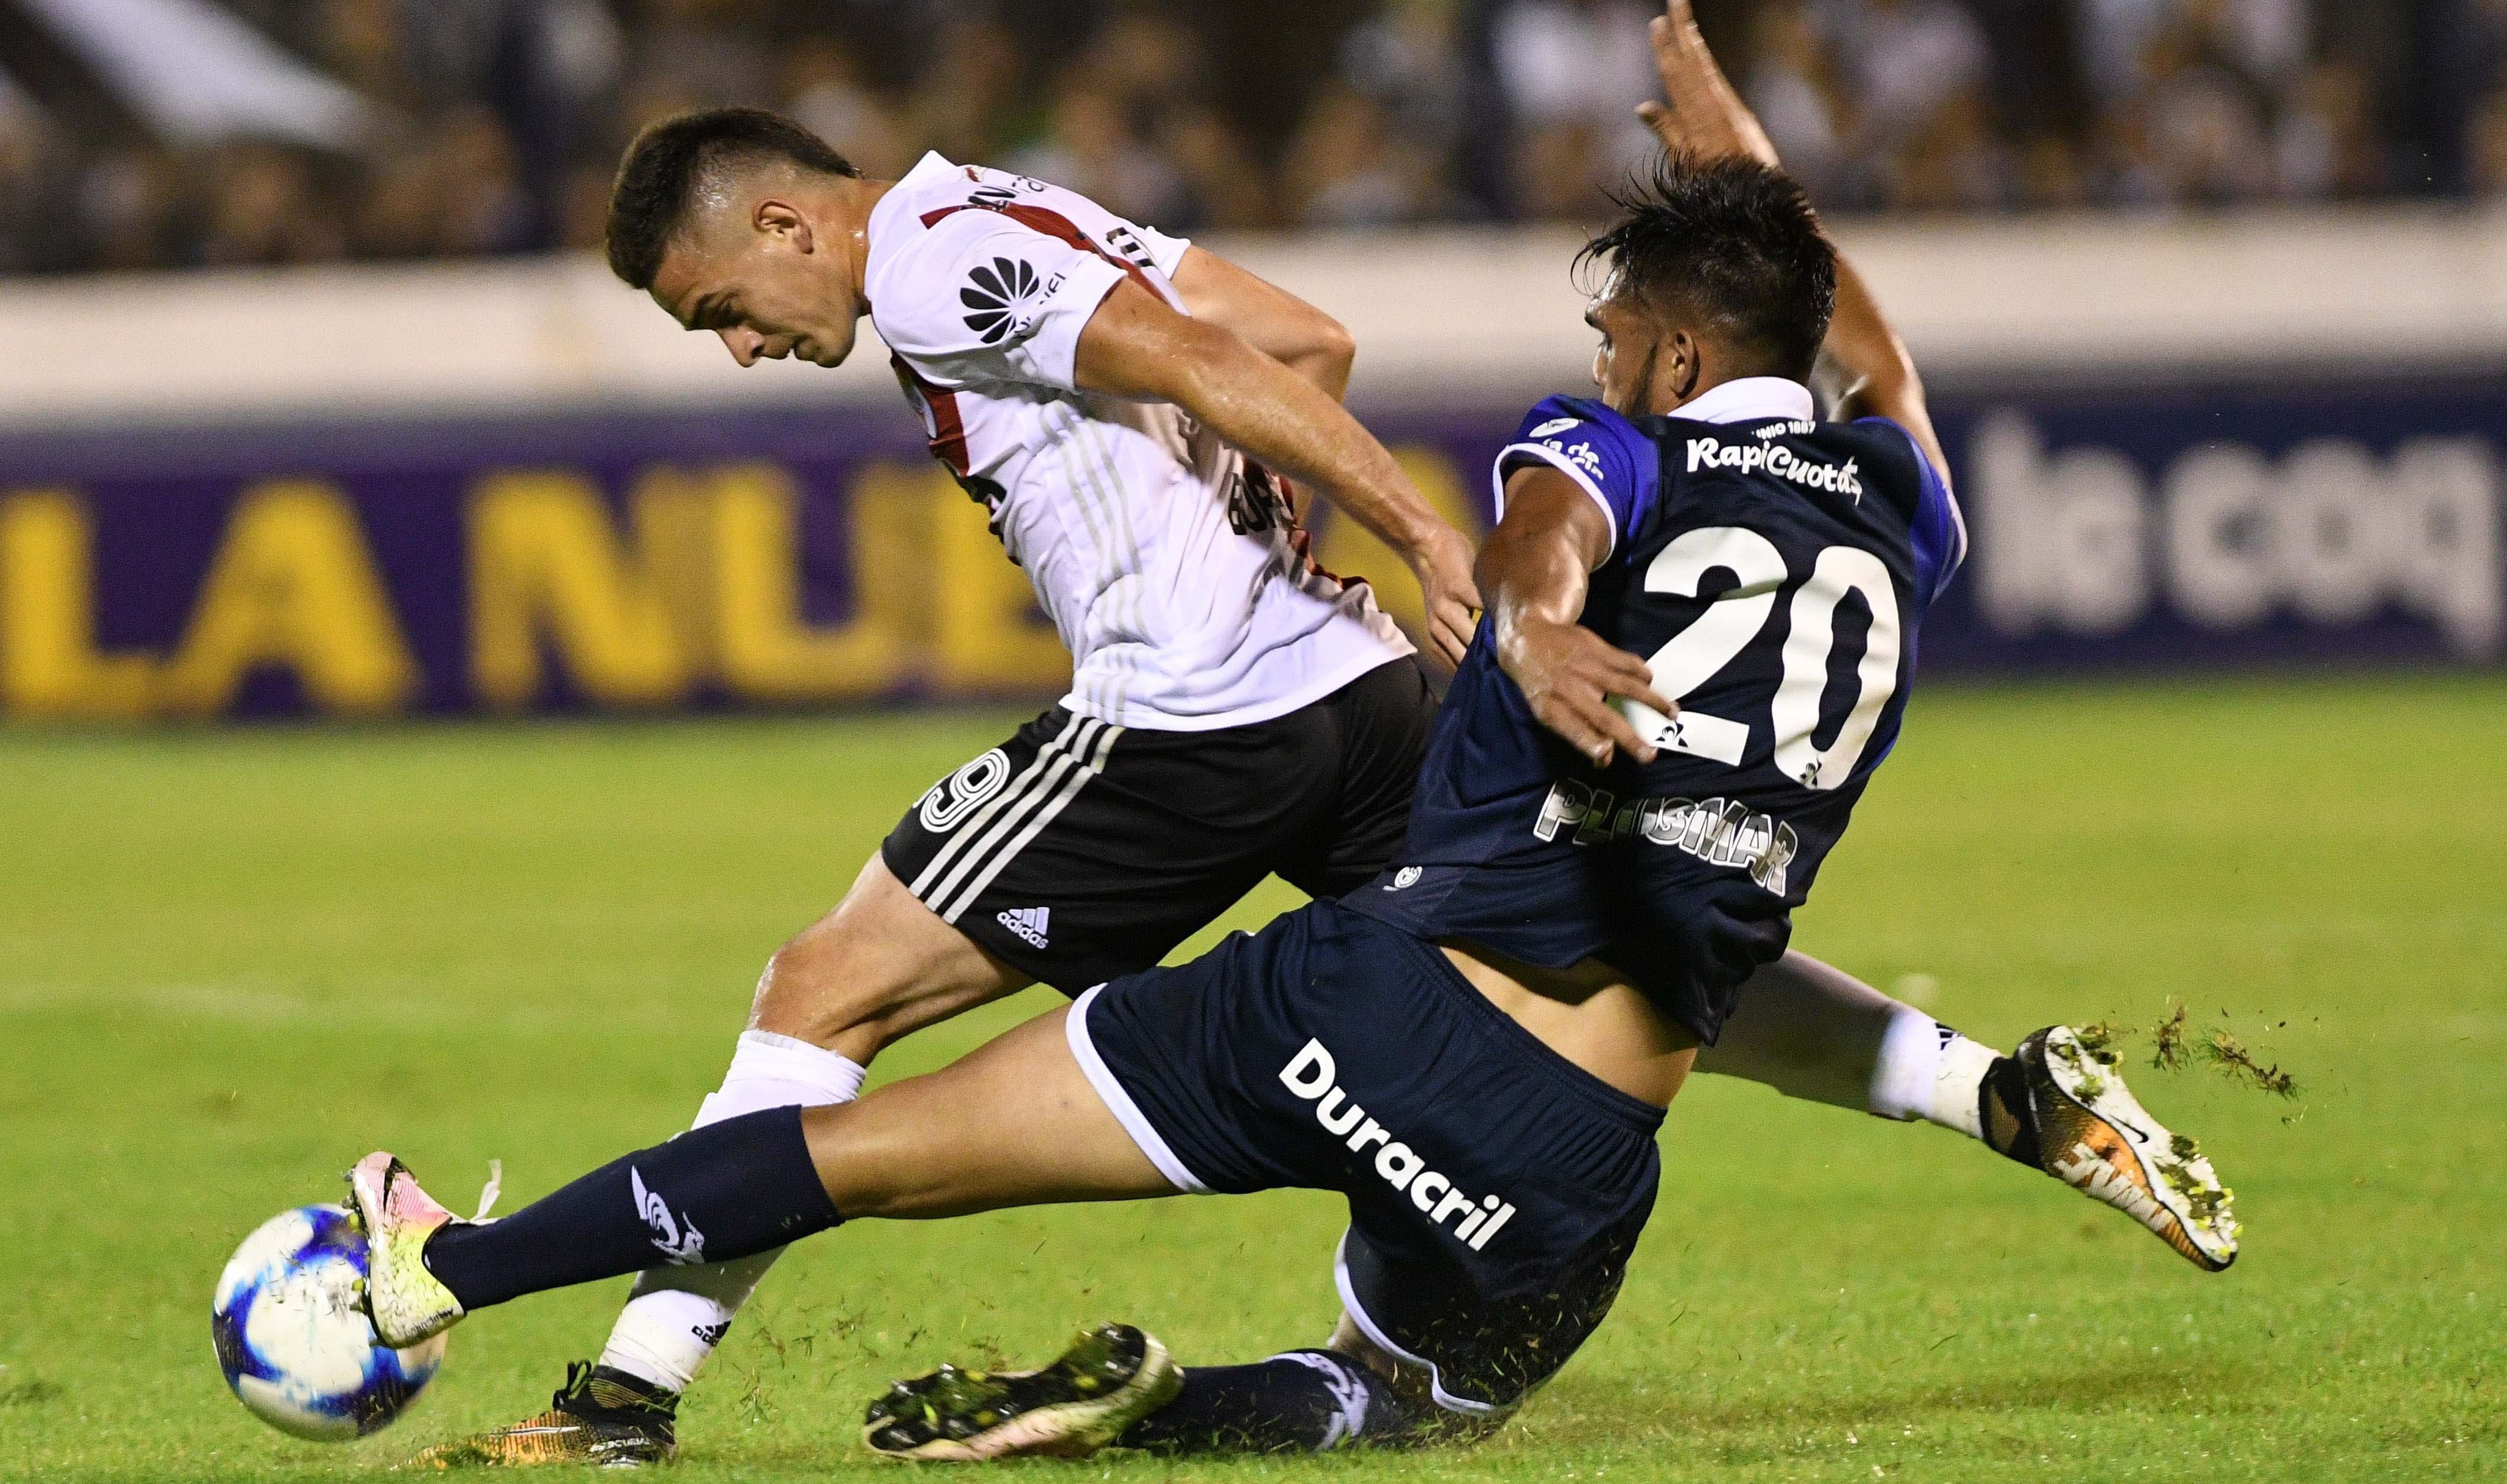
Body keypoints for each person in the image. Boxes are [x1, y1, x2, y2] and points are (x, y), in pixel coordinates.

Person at [416, 7, 2236, 1466]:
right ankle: (1983, 1088)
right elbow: (1306, 335)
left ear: (788, 225)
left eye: (725, 310)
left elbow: (1245, 378)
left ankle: (620, 1396)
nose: (742, 346)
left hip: (1193, 712)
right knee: (1595, 918)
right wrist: (1743, 191)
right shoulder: (1017, 205)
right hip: (1355, 700)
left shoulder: (926, 267)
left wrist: (1443, 551)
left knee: (825, 995)